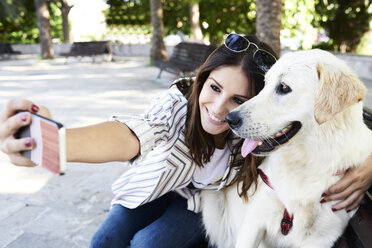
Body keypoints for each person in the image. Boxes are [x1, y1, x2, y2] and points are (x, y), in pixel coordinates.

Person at [0, 34, 371, 248]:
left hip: (195, 204)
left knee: (146, 245)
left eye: (239, 101)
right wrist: (55, 143)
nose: (221, 109)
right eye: (214, 88)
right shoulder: (176, 109)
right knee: (104, 242)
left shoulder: (258, 133)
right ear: (201, 80)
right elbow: (129, 135)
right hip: (154, 190)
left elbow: (340, 136)